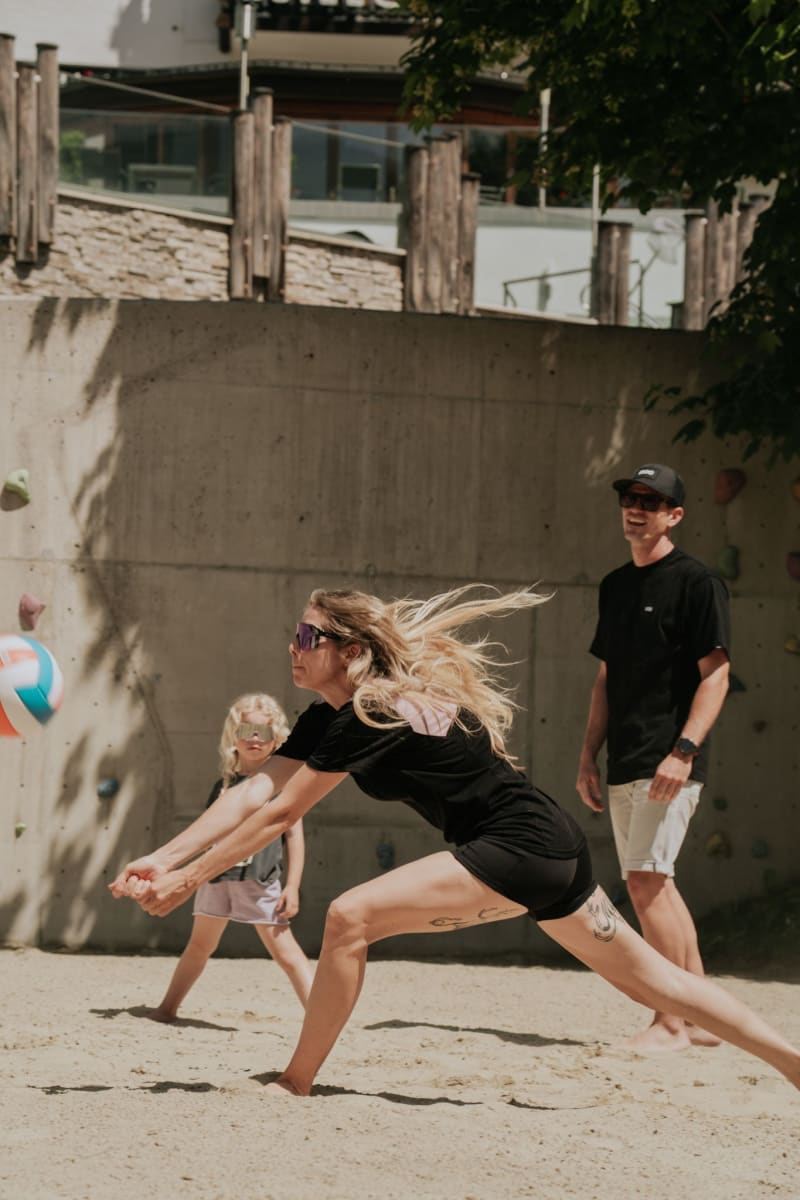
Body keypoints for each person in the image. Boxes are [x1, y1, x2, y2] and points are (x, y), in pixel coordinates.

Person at [110, 586, 799, 1097]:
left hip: (518, 847)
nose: (293, 645)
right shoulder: (333, 714)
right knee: (661, 982)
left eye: (307, 634)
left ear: (351, 651)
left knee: (349, 917)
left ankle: (295, 1081)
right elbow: (253, 792)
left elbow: (279, 815)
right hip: (548, 846)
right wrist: (163, 858)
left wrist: (187, 882)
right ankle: (791, 1061)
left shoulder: (370, 711)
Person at [576, 463, 731, 1052]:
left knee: (644, 883)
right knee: (656, 884)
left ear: (674, 515)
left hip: (670, 758)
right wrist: (588, 756)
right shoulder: (615, 586)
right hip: (625, 756)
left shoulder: (698, 582)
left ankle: (669, 1022)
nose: (635, 509)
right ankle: (701, 1018)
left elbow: (716, 676)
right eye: (629, 498)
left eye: (650, 500)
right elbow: (605, 679)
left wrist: (684, 751)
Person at [147, 693, 314, 1022]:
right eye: (247, 730)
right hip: (216, 879)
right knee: (199, 947)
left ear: (276, 739)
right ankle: (166, 1009)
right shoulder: (222, 787)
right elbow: (206, 836)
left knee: (286, 952)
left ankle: (320, 1015)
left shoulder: (281, 786)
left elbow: (294, 836)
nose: (255, 738)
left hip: (260, 881)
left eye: (264, 732)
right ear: (233, 736)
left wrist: (292, 885)